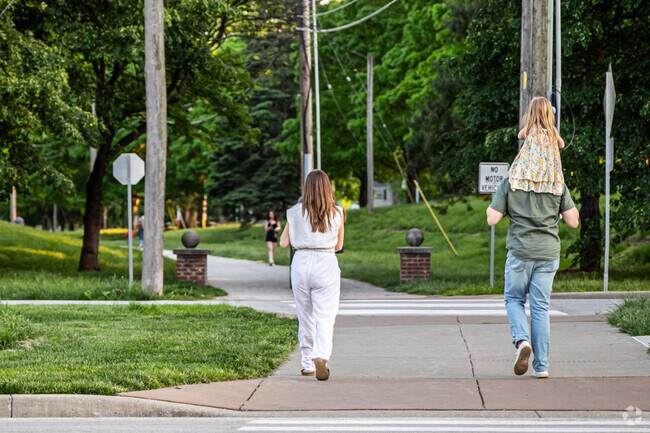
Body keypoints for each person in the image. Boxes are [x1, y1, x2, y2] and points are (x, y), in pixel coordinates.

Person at [487, 168, 579, 378]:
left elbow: (492, 219)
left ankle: (522, 341)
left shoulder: (511, 182)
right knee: (540, 307)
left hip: (520, 252)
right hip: (547, 253)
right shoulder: (557, 183)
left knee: (514, 298)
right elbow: (573, 221)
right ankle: (542, 367)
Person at [280, 170, 345, 381]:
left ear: (306, 188)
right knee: (326, 316)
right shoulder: (338, 212)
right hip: (326, 262)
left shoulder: (294, 212)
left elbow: (283, 243)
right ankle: (321, 355)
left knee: (305, 315)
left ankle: (308, 364)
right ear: (328, 187)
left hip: (300, 262)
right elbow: (339, 246)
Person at [510, 96, 565, 196]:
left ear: (531, 113)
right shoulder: (552, 131)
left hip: (532, 171)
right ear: (549, 114)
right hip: (547, 172)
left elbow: (519, 136)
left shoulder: (529, 129)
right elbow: (562, 145)